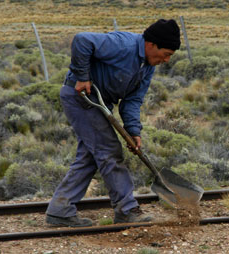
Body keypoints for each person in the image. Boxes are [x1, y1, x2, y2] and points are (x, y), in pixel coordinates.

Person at [46, 19, 181, 227]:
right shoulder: (123, 45)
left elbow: (132, 101)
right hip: (81, 96)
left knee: (90, 157)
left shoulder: (147, 67)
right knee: (108, 151)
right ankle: (126, 209)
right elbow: (82, 40)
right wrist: (82, 76)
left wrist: (133, 131)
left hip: (99, 103)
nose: (167, 60)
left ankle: (60, 210)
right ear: (151, 45)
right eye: (166, 54)